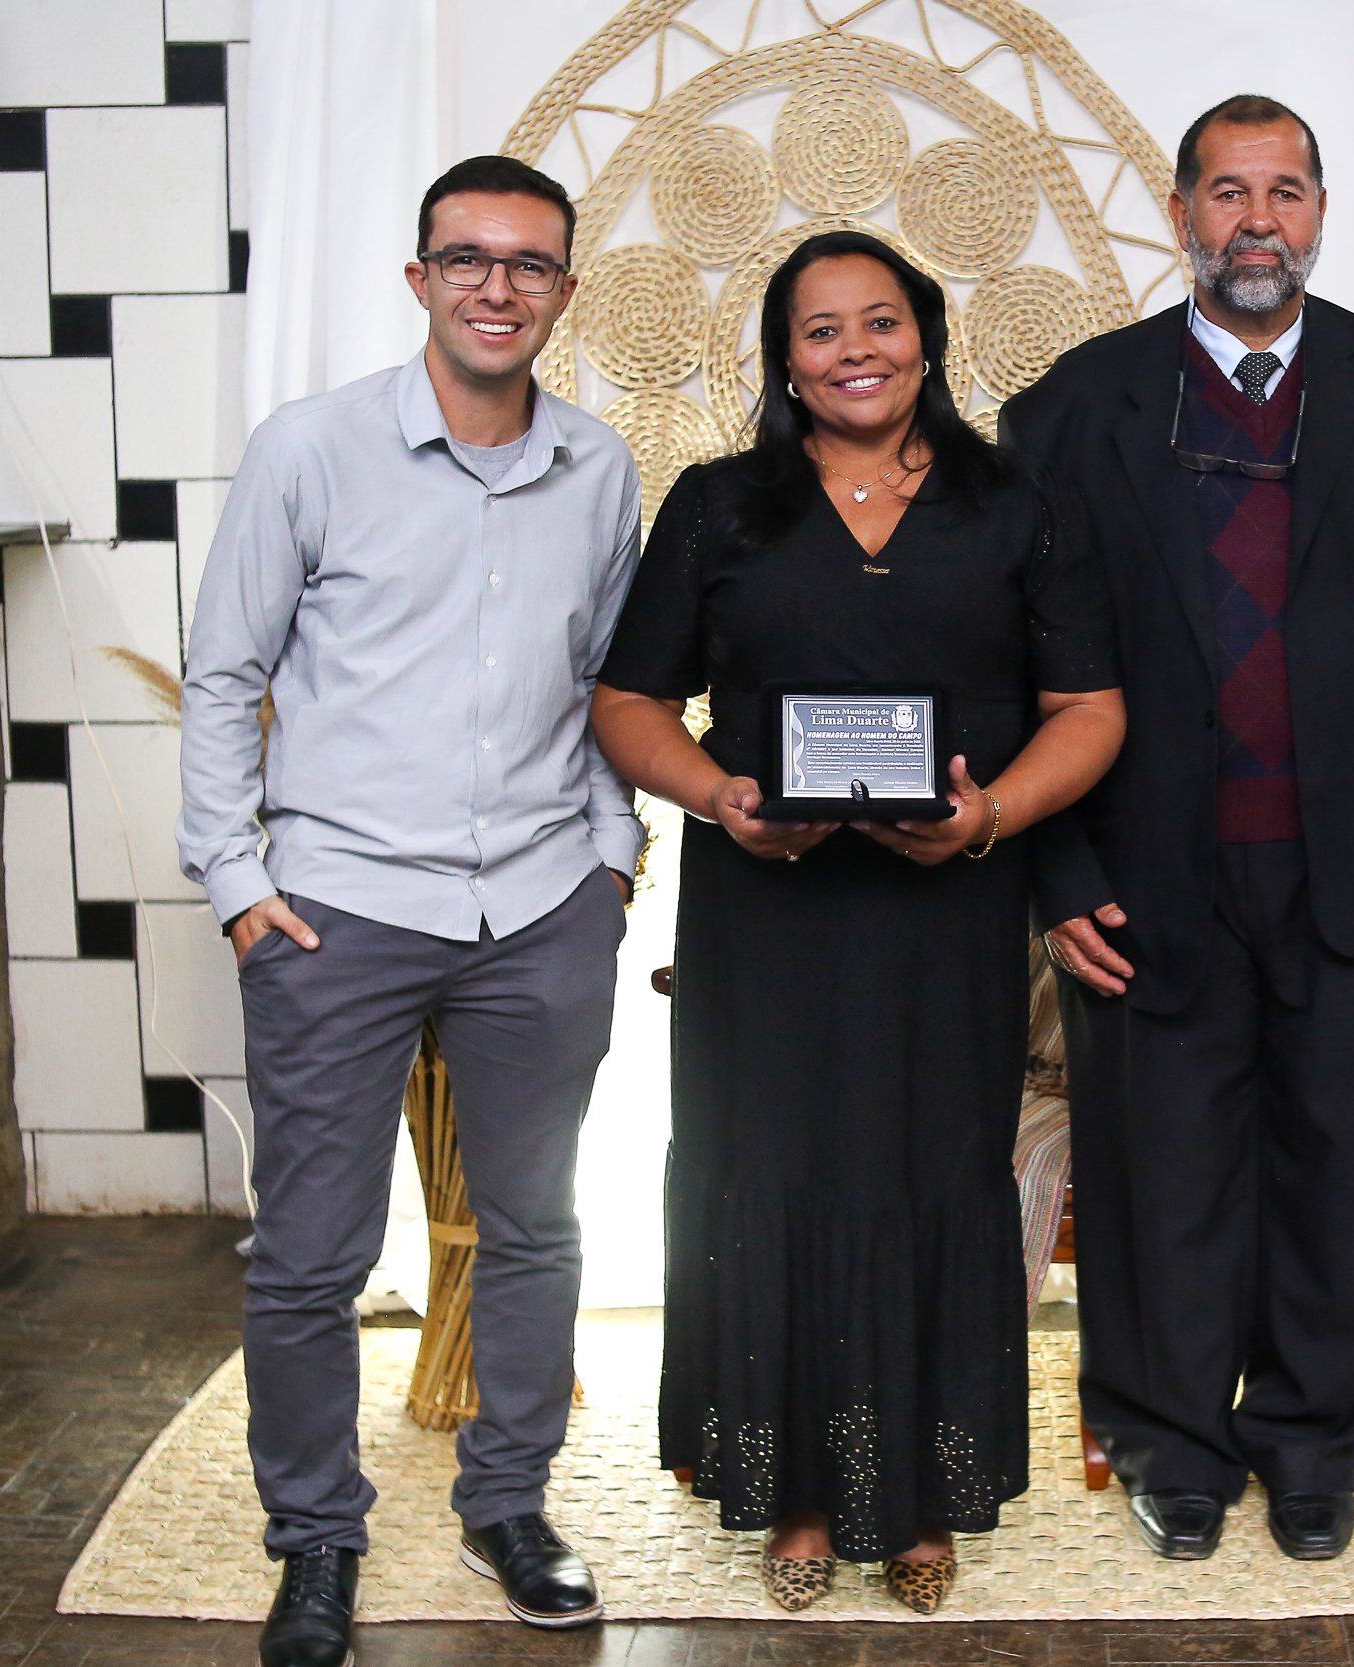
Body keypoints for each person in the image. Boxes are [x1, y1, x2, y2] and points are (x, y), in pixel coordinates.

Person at [589, 231, 1123, 1614]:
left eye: (879, 321)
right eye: (820, 330)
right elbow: (628, 700)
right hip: (765, 917)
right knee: (770, 1175)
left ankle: (924, 1495)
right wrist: (717, 796)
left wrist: (989, 816)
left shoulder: (1017, 502)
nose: (855, 351)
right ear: (785, 361)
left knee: (931, 1178)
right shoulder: (718, 505)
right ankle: (802, 1492)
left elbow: (1090, 708)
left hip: (948, 915)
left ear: (925, 338)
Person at [1002, 94, 1354, 1564]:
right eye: (1229, 191)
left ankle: (1311, 1439)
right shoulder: (1072, 406)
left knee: (1339, 1168)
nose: (1258, 220)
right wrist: (1057, 870)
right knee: (1159, 1174)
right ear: (1181, 216)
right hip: (1140, 872)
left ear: (1321, 212)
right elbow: (1019, 665)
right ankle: (1168, 1439)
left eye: (1285, 190)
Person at [179, 155, 639, 1667]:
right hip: (340, 910)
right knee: (311, 1253)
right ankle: (316, 1533)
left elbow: (608, 684)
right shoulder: (309, 449)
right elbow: (225, 676)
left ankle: (508, 1502)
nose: (497, 286)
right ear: (420, 278)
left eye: (529, 263)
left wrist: (611, 859)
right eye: (468, 259)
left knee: (536, 1227)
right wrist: (239, 882)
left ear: (562, 289)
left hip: (540, 906)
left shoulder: (599, 466)